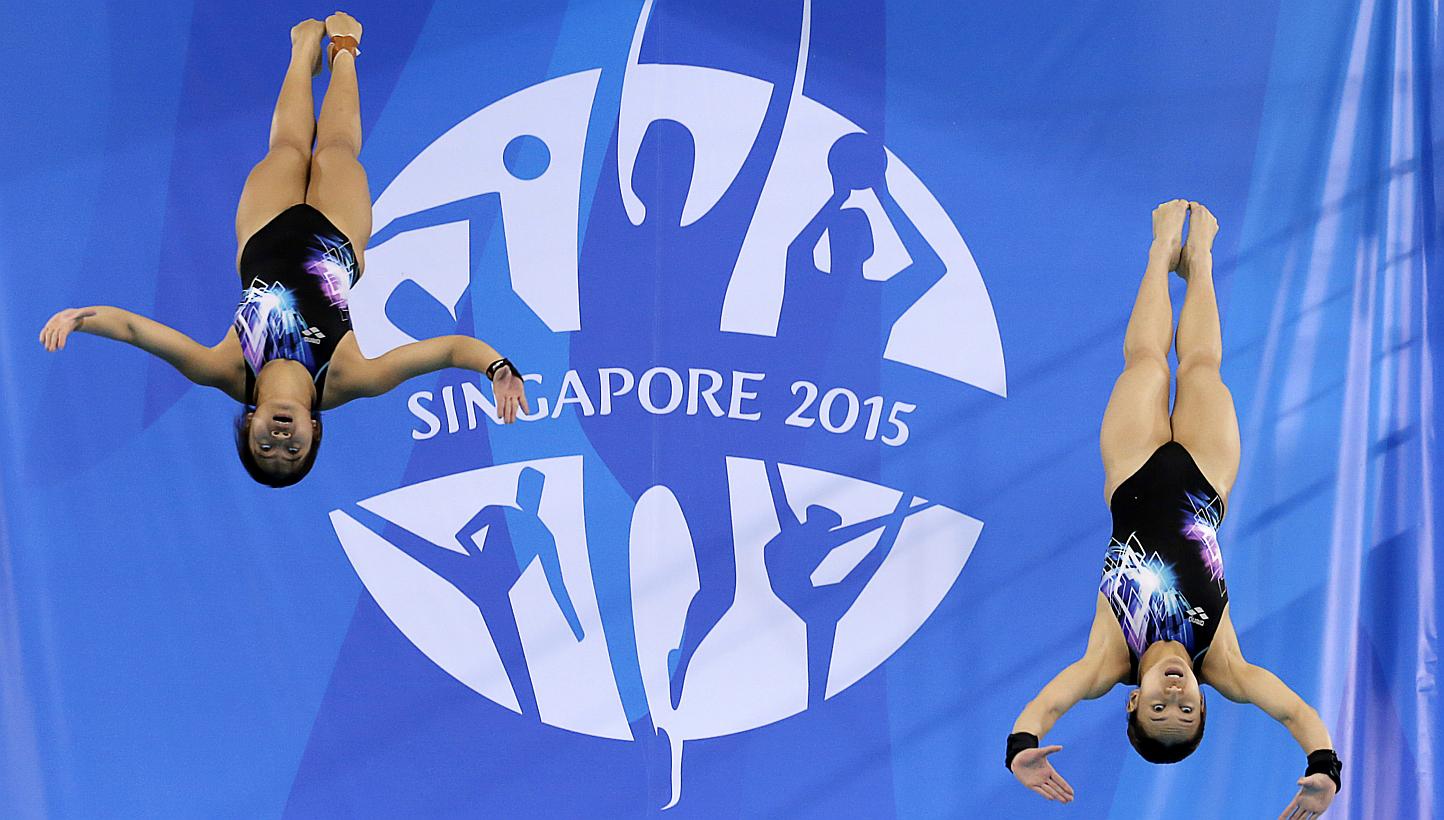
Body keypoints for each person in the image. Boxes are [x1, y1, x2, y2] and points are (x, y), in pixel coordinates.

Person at [38, 13, 527, 487]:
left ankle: (302, 48)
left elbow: (135, 331)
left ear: (248, 423)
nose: (279, 440)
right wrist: (498, 368)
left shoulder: (228, 370)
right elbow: (448, 350)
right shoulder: (347, 378)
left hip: (263, 231)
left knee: (288, 147)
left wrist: (81, 318)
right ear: (314, 431)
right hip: (337, 235)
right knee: (335, 149)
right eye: (293, 451)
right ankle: (343, 50)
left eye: (263, 447)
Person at [1004, 201, 1341, 819]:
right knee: (1203, 365)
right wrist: (1324, 766)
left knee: (1146, 362)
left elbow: (1050, 703)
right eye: (1186, 711)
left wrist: (1022, 746)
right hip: (1206, 479)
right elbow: (1294, 711)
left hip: (1131, 473)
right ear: (1205, 704)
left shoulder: (1110, 659)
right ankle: (1202, 259)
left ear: (1133, 702)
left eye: (1158, 708)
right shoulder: (1223, 662)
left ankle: (1162, 251)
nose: (1174, 697)